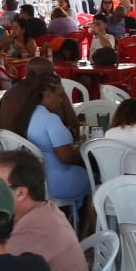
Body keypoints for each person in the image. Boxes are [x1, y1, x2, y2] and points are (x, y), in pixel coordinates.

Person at [20, 74, 90, 207]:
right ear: (48, 95)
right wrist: (84, 147)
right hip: (58, 182)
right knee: (95, 177)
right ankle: (87, 219)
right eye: (59, 95)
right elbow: (66, 157)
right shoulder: (50, 120)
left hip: (36, 180)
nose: (62, 100)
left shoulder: (27, 115)